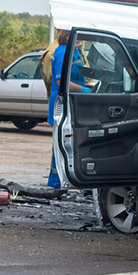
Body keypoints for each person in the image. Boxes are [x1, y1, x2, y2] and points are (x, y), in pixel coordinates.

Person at [47, 30, 90, 188]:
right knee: (60, 142)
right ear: (67, 36)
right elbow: (61, 82)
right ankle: (55, 183)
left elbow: (76, 76)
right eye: (78, 37)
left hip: (73, 101)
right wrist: (83, 90)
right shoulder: (62, 52)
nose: (80, 40)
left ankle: (65, 180)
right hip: (62, 102)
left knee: (69, 141)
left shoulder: (75, 51)